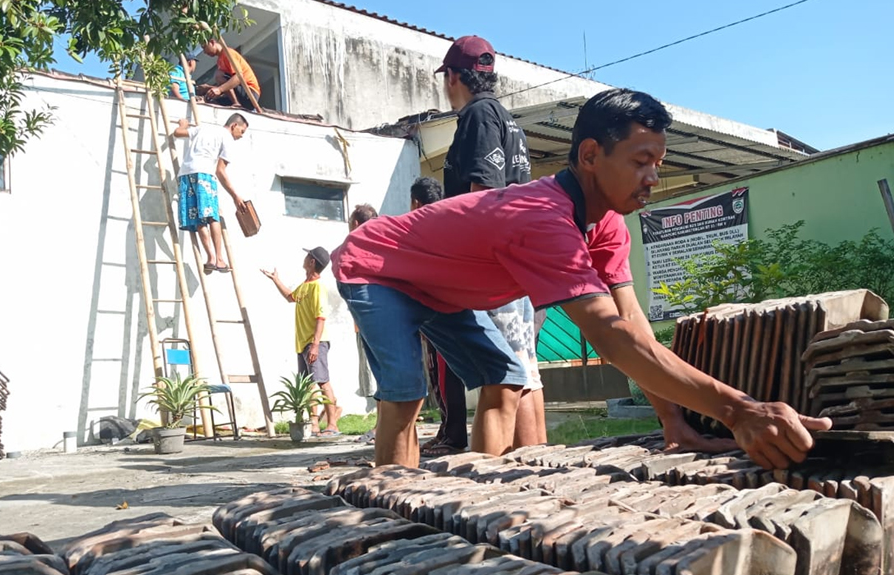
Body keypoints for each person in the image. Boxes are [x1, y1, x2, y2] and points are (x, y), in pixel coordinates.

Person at [332, 88, 831, 470]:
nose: (653, 177)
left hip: (441, 289)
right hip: (378, 268)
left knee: (505, 378)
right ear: (590, 156)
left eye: (658, 163)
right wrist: (739, 411)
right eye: (640, 162)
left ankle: (475, 494)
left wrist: (674, 422)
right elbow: (609, 337)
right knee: (405, 391)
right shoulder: (543, 218)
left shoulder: (608, 223)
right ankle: (393, 517)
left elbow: (629, 322)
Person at [434, 35, 545, 452]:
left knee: (502, 377)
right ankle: (536, 471)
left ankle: (501, 486)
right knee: (524, 372)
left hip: (492, 264)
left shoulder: (478, 117)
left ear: (452, 77)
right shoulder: (504, 118)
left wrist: (468, 268)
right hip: (515, 260)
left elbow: (483, 196)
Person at [402, 177, 471, 457]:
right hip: (455, 305)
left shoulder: (421, 227)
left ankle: (453, 435)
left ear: (416, 203)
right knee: (446, 374)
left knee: (444, 375)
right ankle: (448, 431)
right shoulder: (450, 223)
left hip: (438, 310)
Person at [262, 247, 342, 436]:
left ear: (312, 262)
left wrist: (315, 345)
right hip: (303, 343)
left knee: (322, 382)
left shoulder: (317, 287)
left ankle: (332, 424)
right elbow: (291, 297)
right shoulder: (306, 285)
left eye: (308, 256)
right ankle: (314, 424)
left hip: (315, 342)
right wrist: (276, 279)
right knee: (308, 385)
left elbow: (320, 317)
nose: (305, 259)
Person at [172, 113, 250, 274]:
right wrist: (235, 195)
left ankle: (210, 258)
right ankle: (219, 258)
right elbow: (220, 171)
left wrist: (183, 124)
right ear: (234, 126)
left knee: (198, 216)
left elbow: (178, 133)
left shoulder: (203, 128)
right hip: (204, 175)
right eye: (241, 132)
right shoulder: (227, 138)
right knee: (212, 215)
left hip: (185, 175)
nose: (241, 136)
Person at [348, 204, 380, 440]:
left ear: (356, 225)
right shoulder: (386, 243)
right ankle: (383, 425)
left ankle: (382, 427)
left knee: (381, 376)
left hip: (374, 323)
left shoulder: (357, 248)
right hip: (385, 321)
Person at [198, 40, 261, 112]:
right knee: (212, 101)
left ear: (212, 42)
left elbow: (238, 77)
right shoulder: (220, 60)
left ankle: (236, 103)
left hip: (250, 93)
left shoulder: (228, 53)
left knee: (218, 75)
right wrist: (209, 88)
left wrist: (219, 89)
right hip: (241, 96)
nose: (205, 52)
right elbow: (227, 87)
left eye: (204, 47)